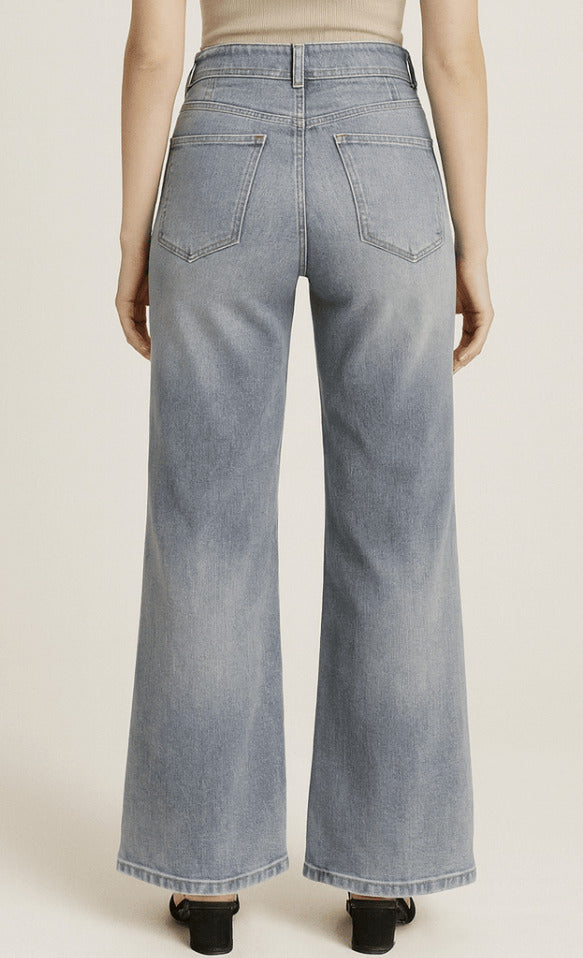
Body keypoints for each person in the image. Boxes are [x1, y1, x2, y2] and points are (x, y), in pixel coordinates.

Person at [114, 0, 494, 953]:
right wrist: (473, 243)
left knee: (203, 532)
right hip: (384, 150)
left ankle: (204, 880)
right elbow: (452, 55)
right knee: (399, 537)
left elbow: (154, 49)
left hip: (218, 146)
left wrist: (133, 239)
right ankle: (380, 881)